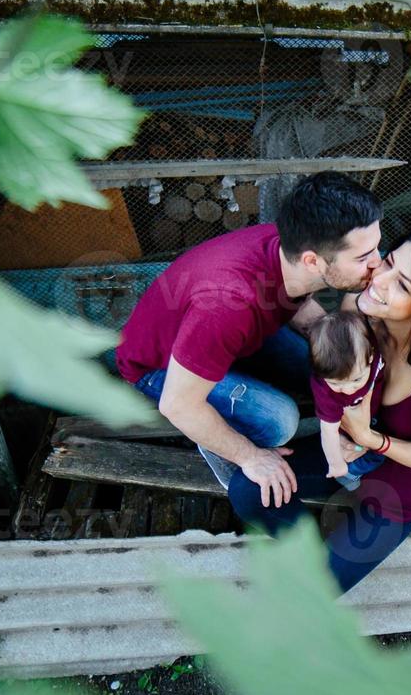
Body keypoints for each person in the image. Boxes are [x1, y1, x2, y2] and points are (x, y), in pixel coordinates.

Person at [226, 228, 411, 593]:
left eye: (403, 286)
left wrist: (368, 438)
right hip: (346, 449)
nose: (379, 281)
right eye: (389, 263)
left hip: (401, 483)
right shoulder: (361, 317)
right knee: (250, 489)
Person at [115, 172, 382, 497]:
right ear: (313, 260)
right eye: (363, 257)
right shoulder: (227, 306)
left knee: (334, 361)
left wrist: (342, 344)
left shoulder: (288, 251)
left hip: (227, 337)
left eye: (376, 248)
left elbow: (293, 300)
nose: (377, 263)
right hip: (160, 368)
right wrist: (250, 456)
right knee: (280, 421)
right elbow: (177, 405)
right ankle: (219, 447)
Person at [307, 311, 387, 490]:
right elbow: (328, 432)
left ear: (372, 356)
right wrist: (336, 464)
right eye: (336, 383)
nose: (349, 389)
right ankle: (348, 474)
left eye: (356, 379)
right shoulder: (328, 395)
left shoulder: (368, 349)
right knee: (376, 455)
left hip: (372, 411)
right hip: (345, 423)